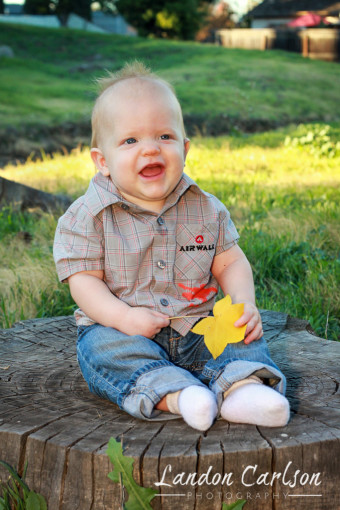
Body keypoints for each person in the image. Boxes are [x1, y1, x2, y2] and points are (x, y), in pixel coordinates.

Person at [54, 62, 289, 431]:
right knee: (100, 349)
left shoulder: (206, 207)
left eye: (164, 136)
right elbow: (83, 280)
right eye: (131, 141)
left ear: (185, 147)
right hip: (124, 329)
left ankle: (244, 389)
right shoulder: (86, 216)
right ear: (103, 161)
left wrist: (244, 305)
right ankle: (179, 396)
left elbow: (230, 263)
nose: (150, 150)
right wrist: (122, 318)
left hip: (198, 326)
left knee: (242, 337)